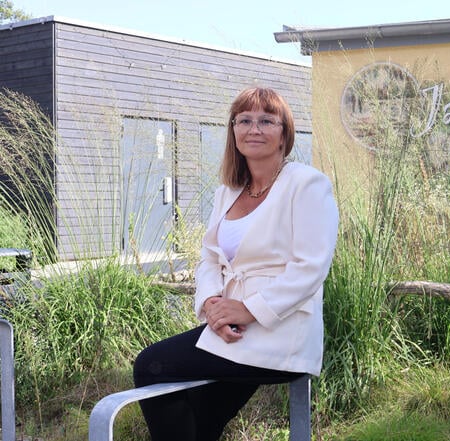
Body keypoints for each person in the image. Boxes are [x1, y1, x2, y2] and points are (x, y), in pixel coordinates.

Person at [133, 86, 339, 440]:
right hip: (231, 327)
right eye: (244, 120)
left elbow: (311, 267)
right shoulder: (227, 192)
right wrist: (212, 303)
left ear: (284, 134)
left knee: (151, 366)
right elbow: (210, 258)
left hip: (279, 330)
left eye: (266, 121)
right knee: (199, 417)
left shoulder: (306, 184)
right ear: (233, 131)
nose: (254, 129)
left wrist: (248, 310)